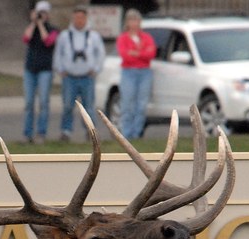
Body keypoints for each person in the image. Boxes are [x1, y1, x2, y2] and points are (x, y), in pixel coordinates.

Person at [54, 6, 105, 142]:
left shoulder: (93, 36)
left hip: (87, 77)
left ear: (86, 18)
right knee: (67, 106)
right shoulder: (65, 36)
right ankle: (66, 131)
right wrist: (60, 69)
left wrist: (96, 69)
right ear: (73, 18)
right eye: (76, 18)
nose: (79, 21)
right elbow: (58, 54)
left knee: (88, 106)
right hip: (69, 77)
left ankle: (90, 132)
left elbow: (100, 54)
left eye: (82, 18)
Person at [21, 1, 58, 144]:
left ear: (47, 14)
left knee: (43, 102)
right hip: (30, 69)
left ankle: (41, 133)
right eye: (39, 12)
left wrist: (41, 24)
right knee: (29, 103)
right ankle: (27, 133)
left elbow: (48, 41)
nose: (40, 15)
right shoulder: (31, 28)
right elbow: (26, 38)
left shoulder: (53, 29)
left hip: (45, 70)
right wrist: (33, 23)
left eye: (43, 13)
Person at [116, 9, 156, 139]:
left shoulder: (146, 38)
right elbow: (125, 55)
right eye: (131, 20)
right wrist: (140, 54)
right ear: (127, 22)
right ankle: (126, 133)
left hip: (144, 72)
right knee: (128, 103)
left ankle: (137, 133)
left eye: (136, 20)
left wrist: (137, 53)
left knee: (142, 104)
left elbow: (151, 54)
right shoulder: (123, 38)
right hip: (129, 72)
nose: (134, 23)